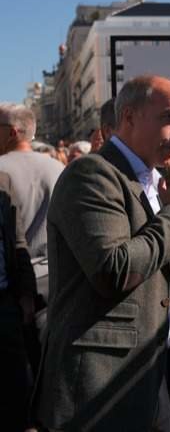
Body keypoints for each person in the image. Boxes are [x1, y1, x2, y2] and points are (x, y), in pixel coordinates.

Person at [34, 75, 170, 431]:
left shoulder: (156, 181)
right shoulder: (93, 173)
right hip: (98, 387)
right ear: (128, 117)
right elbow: (114, 270)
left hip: (149, 374)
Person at [0, 104, 64, 372]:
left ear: (13, 132)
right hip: (57, 280)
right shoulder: (59, 168)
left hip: (15, 288)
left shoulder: (2, 169)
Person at [0, 171, 37, 432]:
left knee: (15, 392)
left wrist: (26, 294)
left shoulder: (3, 181)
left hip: (5, 303)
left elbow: (18, 241)